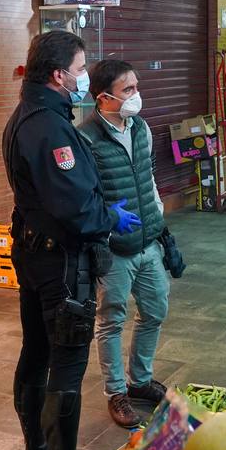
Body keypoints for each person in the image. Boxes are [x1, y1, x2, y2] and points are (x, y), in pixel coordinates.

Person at [3, 31, 141, 450]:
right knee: (64, 363)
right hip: (61, 264)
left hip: (37, 254)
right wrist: (107, 217)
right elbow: (73, 207)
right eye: (81, 69)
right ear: (60, 75)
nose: (84, 77)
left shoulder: (31, 116)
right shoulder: (48, 126)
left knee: (37, 353)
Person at [78, 60, 169, 429]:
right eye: (127, 90)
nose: (136, 95)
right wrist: (106, 216)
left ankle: (140, 381)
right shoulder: (85, 137)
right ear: (104, 97)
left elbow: (147, 173)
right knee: (111, 320)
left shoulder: (141, 126)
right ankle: (116, 392)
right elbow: (83, 195)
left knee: (155, 310)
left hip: (148, 240)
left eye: (135, 86)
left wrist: (158, 215)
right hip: (115, 249)